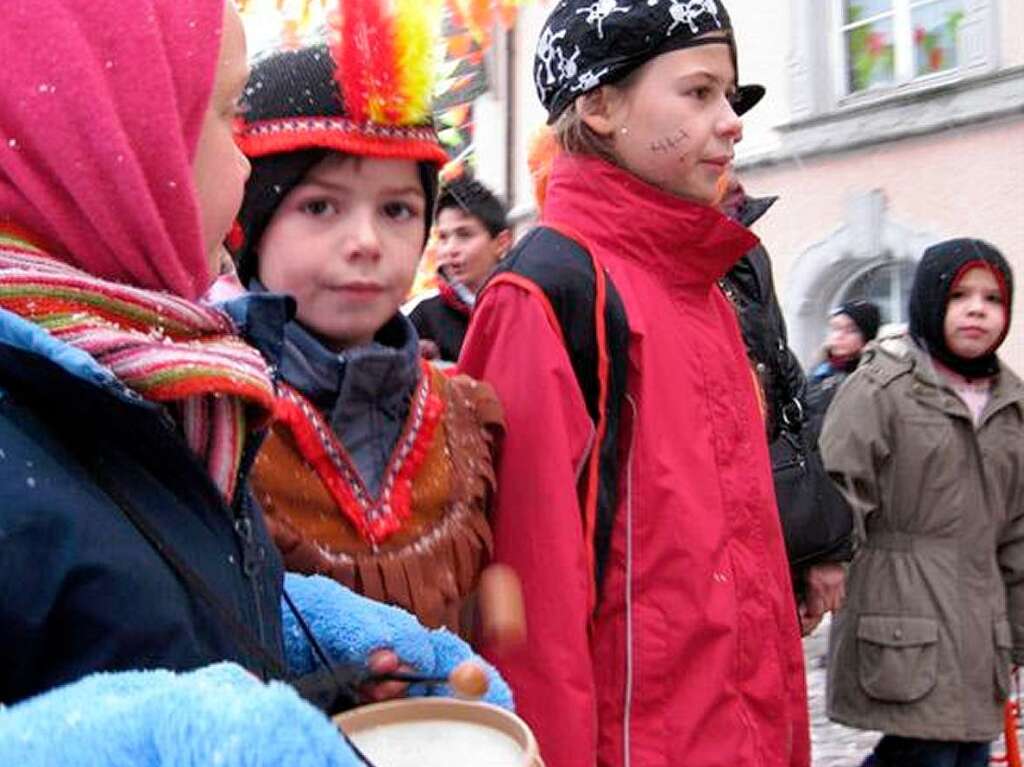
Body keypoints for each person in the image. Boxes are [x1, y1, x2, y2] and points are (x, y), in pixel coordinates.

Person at [0, 0, 508, 761]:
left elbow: (148, 616)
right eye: (227, 115)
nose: (241, 162)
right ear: (110, 136)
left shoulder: (173, 387)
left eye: (401, 209)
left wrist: (315, 666)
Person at [458, 2, 810, 765]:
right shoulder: (549, 296)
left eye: (731, 95)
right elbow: (527, 611)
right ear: (599, 104)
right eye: (699, 92)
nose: (733, 121)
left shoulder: (705, 290)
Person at [232, 7, 504, 638]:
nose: (366, 242)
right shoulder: (206, 416)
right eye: (320, 205)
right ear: (250, 225)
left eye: (398, 210)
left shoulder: (470, 421)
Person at [821, 239, 1022, 767]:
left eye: (993, 298)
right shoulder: (882, 386)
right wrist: (824, 568)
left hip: (981, 626)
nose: (977, 309)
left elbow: (1018, 532)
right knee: (926, 752)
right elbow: (840, 491)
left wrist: (1018, 635)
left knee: (967, 752)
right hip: (900, 614)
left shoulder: (1013, 406)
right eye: (959, 295)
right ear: (931, 303)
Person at [409, 176, 511, 362]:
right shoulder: (422, 318)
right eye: (443, 237)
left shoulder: (522, 309)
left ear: (501, 243)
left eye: (464, 235)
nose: (450, 249)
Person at [805, 299, 881, 439]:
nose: (839, 336)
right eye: (835, 328)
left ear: (867, 337)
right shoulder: (818, 372)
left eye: (851, 330)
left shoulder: (873, 377)